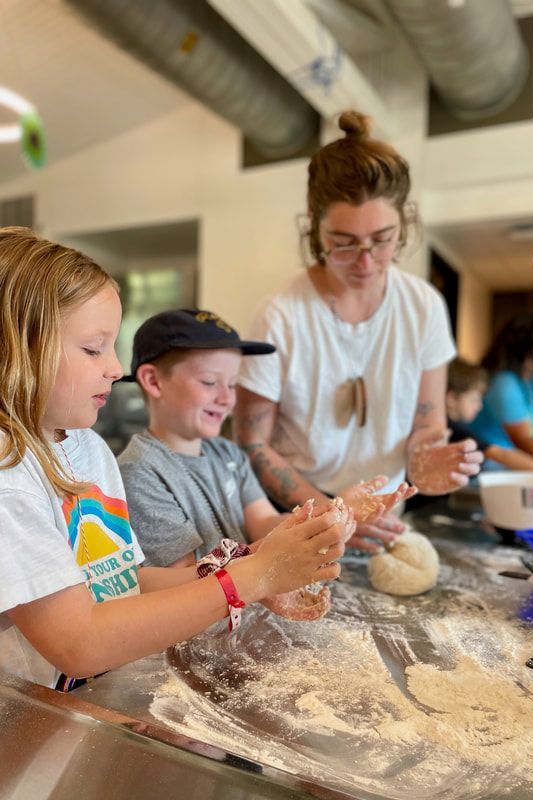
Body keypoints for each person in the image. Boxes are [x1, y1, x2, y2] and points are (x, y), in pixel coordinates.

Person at [0, 227, 349, 691]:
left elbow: (124, 582)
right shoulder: (10, 476)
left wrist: (250, 573)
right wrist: (246, 580)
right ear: (16, 350)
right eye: (92, 348)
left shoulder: (84, 447)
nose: (115, 368)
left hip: (95, 703)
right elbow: (78, 643)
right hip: (32, 723)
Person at [234, 110, 482, 552]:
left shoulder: (423, 307)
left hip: (386, 519)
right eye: (344, 243)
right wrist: (332, 514)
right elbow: (252, 442)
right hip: (298, 521)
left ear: (403, 223)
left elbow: (427, 427)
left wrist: (429, 462)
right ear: (314, 222)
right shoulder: (281, 315)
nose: (366, 262)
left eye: (383, 240)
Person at [117, 308, 416, 603]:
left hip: (242, 603)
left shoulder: (227, 453)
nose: (227, 398)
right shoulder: (141, 470)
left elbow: (265, 522)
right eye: (209, 382)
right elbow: (186, 583)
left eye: (232, 384)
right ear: (154, 382)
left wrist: (330, 516)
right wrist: (271, 562)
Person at [468, 312, 533, 467]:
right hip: (490, 469)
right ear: (523, 347)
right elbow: (523, 441)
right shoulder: (503, 384)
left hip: (516, 467)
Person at [446, 358, 533, 471]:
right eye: (474, 399)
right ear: (452, 398)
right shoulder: (453, 428)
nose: (479, 406)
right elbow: (501, 455)